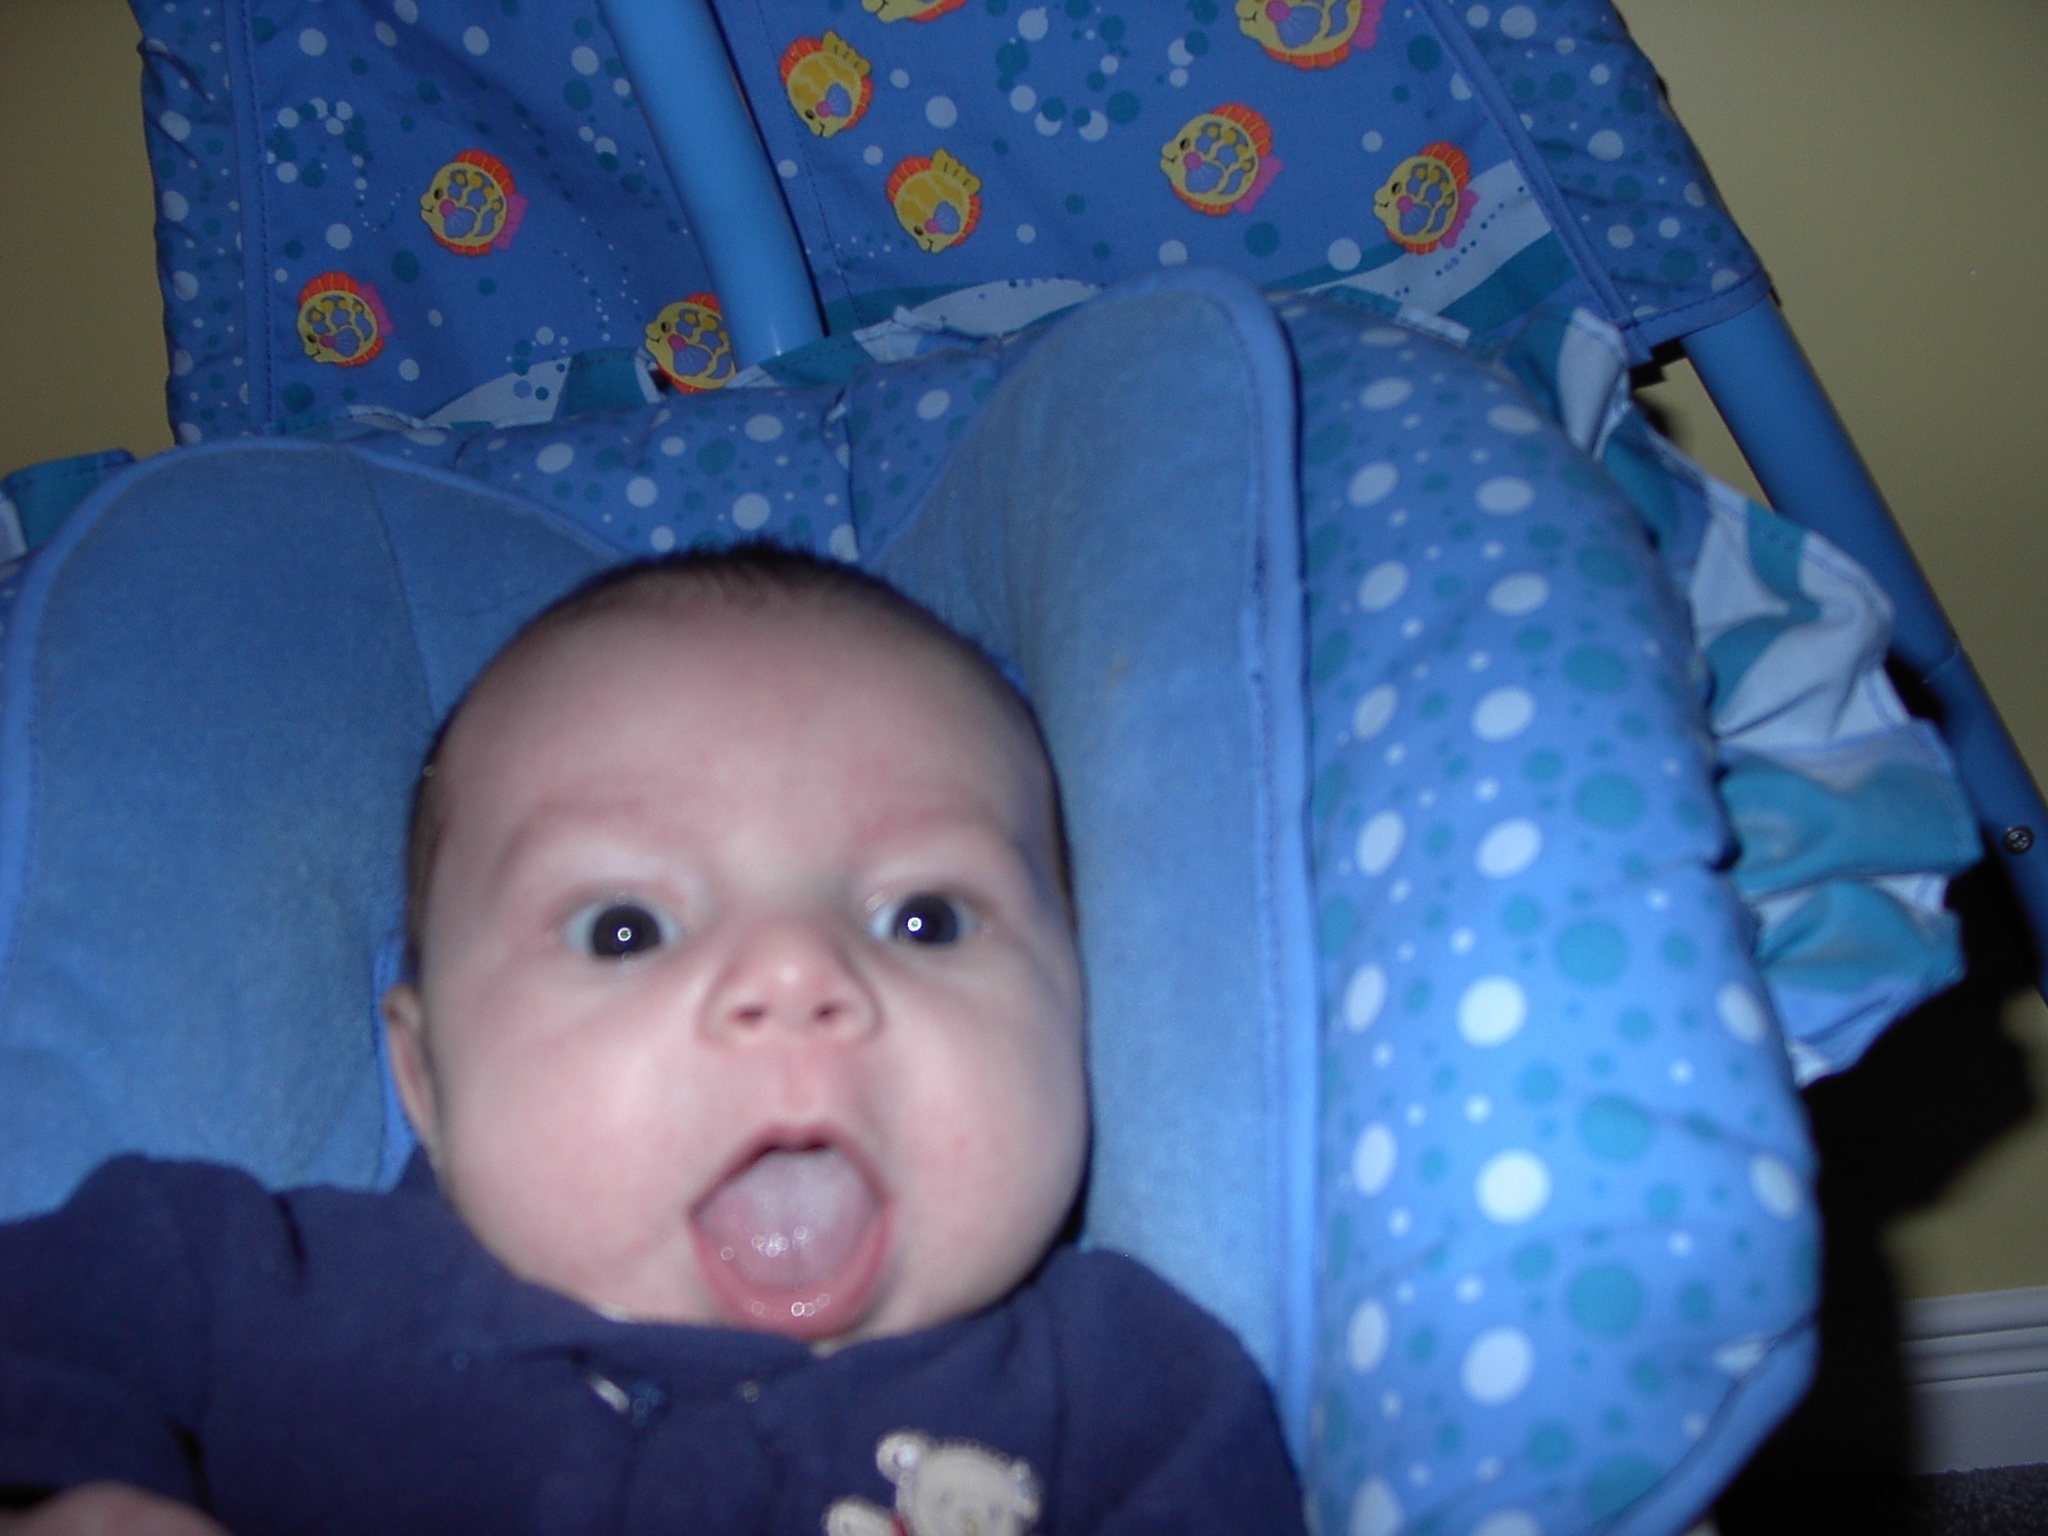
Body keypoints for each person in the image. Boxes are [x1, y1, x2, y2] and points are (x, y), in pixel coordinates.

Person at [0, 545, 1304, 1536]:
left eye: (926, 918)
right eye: (624, 930)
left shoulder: (1132, 1394)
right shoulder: (220, 1288)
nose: (794, 974)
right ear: (427, 1078)